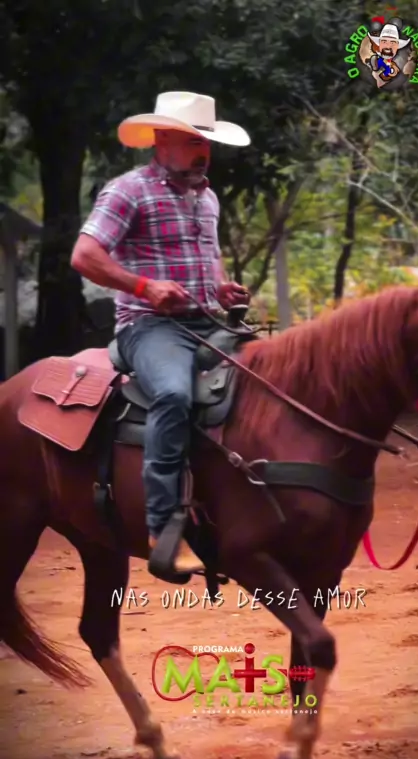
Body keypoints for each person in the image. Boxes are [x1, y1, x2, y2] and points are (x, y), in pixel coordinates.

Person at [71, 91, 251, 578]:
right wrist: (144, 287)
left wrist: (221, 287)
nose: (203, 152)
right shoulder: (128, 191)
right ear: (162, 140)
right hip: (148, 327)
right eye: (193, 141)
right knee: (172, 394)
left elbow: (209, 257)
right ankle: (163, 528)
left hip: (207, 324)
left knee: (275, 381)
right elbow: (84, 255)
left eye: (206, 142)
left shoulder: (206, 196)